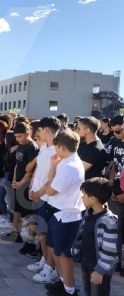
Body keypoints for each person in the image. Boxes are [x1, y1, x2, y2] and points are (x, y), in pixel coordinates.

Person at [44, 130, 85, 296]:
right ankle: (64, 283)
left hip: (66, 216)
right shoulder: (68, 161)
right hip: (59, 213)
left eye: (56, 148)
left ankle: (69, 290)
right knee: (55, 249)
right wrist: (54, 166)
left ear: (61, 147)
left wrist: (50, 175)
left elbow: (51, 190)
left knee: (63, 254)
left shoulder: (69, 167)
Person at [27, 116, 60, 284]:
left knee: (47, 233)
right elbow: (38, 169)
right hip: (38, 194)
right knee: (41, 230)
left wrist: (38, 192)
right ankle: (44, 259)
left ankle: (50, 268)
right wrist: (32, 187)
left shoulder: (58, 149)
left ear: (46, 130)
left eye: (38, 130)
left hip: (47, 197)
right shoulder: (44, 147)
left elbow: (52, 178)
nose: (36, 133)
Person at [72, 177, 118, 296]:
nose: (82, 197)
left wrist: (100, 271)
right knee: (88, 291)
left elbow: (109, 251)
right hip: (86, 261)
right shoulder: (88, 213)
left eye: (84, 195)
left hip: (99, 267)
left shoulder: (108, 222)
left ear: (93, 199)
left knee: (98, 293)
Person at [1, 122, 39, 243]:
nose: (17, 140)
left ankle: (30, 241)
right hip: (17, 183)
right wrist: (14, 179)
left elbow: (31, 171)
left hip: (26, 185)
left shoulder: (32, 147)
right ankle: (15, 233)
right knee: (16, 211)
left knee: (28, 216)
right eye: (16, 137)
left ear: (28, 133)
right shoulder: (20, 146)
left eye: (20, 137)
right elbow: (18, 164)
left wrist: (21, 183)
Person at [107, 114, 124, 275]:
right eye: (114, 132)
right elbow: (113, 164)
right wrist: (111, 183)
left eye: (118, 131)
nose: (116, 134)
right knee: (116, 230)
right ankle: (118, 261)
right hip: (116, 194)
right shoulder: (117, 143)